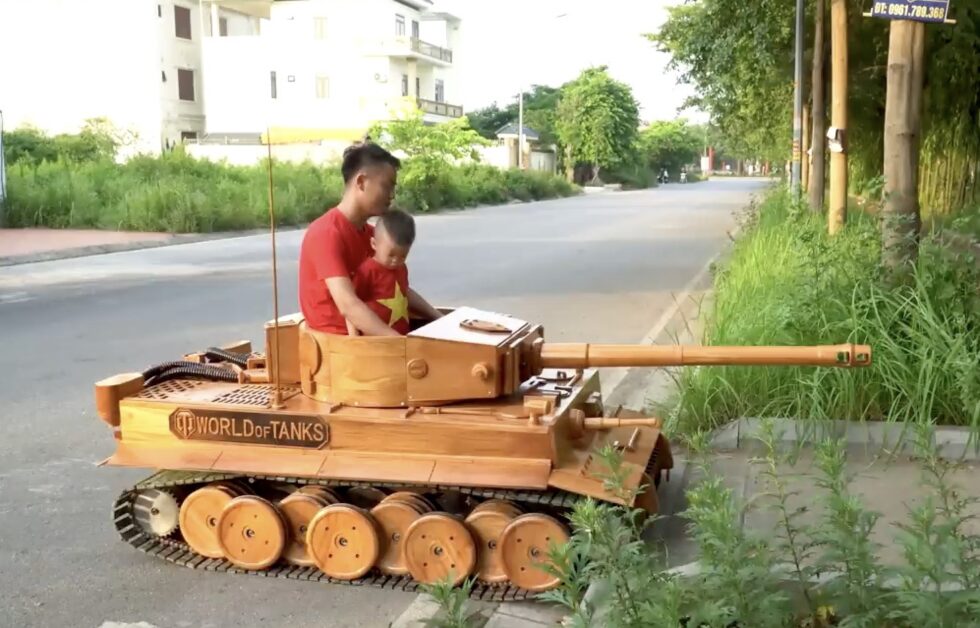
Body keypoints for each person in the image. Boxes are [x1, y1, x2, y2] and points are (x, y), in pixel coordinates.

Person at [298, 141, 441, 336]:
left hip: (376, 340)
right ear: (361, 182)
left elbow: (397, 290)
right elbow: (348, 305)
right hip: (341, 348)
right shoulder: (326, 233)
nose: (391, 196)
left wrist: (439, 318)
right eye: (387, 186)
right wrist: (401, 345)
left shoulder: (374, 235)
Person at [345, 209, 419, 336]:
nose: (396, 260)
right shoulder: (367, 271)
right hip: (377, 339)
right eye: (391, 255)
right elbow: (351, 306)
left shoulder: (401, 269)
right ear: (374, 244)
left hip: (402, 335)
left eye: (403, 256)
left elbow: (404, 294)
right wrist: (354, 339)